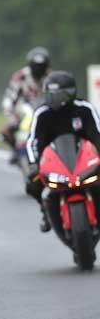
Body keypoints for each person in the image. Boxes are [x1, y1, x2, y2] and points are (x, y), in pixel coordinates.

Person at [25, 71, 100, 233]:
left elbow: (98, 134)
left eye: (56, 95)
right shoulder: (42, 113)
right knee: (32, 184)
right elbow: (33, 141)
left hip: (84, 159)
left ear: (69, 93)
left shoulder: (85, 109)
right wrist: (33, 163)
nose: (52, 99)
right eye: (49, 95)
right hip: (53, 162)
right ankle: (45, 211)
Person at [1, 47, 51, 164]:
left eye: (42, 67)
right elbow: (10, 96)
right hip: (24, 110)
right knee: (5, 133)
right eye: (36, 67)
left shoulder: (51, 77)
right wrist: (10, 114)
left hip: (45, 108)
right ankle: (16, 150)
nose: (39, 70)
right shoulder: (21, 76)